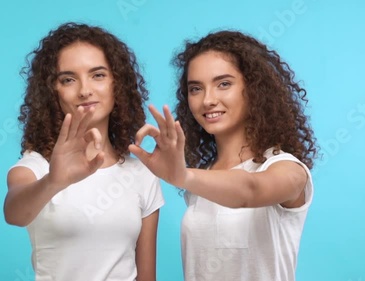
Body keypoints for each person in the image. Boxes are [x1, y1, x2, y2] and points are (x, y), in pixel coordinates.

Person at [129, 30, 317, 281]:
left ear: (254, 89)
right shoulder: (202, 180)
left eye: (224, 84)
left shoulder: (288, 169)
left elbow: (249, 189)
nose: (208, 100)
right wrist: (185, 177)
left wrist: (182, 175)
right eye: (196, 88)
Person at [3, 22, 164, 281]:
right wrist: (54, 182)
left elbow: (146, 277)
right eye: (68, 79)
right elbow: (15, 213)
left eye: (98, 75)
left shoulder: (142, 174)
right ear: (52, 92)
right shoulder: (35, 168)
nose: (85, 90)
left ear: (117, 84)